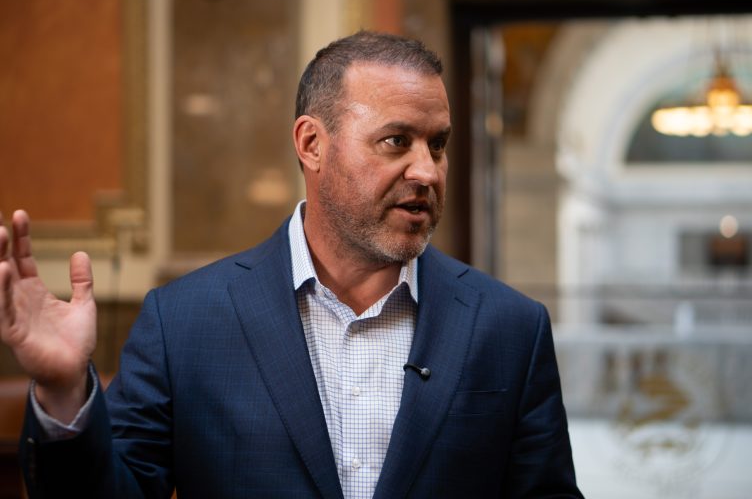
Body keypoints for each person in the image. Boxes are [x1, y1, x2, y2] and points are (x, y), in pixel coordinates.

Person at [0, 31, 582, 498]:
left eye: (438, 144)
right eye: (396, 141)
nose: (427, 171)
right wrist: (62, 389)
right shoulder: (185, 323)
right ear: (311, 144)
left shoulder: (509, 328)